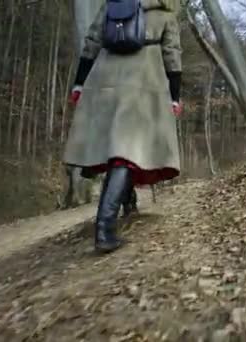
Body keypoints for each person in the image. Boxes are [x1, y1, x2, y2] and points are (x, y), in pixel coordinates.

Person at [65, 0, 183, 253]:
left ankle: (128, 205)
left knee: (117, 147)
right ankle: (104, 230)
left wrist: (79, 83)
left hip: (104, 80)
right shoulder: (164, 13)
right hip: (144, 84)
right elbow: (172, 54)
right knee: (127, 152)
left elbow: (91, 42)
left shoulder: (111, 6)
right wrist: (175, 95)